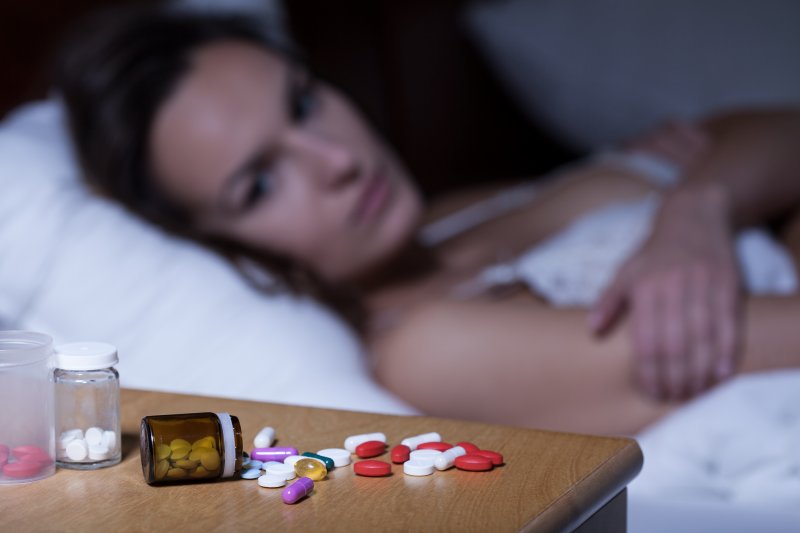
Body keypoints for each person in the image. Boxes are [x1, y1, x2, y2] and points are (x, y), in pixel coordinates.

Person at [54, 7, 800, 435]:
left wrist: (696, 208)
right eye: (261, 182)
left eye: (305, 102)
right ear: (218, 247)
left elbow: (768, 128)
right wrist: (723, 189)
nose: (337, 160)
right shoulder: (428, 348)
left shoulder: (448, 218)